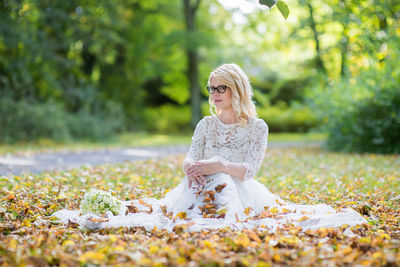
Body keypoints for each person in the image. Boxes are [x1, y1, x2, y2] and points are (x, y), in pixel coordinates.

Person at [52, 63, 367, 232]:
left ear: (237, 90)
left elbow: (251, 170)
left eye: (221, 88)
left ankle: (220, 215)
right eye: (211, 88)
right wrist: (190, 166)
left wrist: (218, 166)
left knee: (223, 180)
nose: (214, 93)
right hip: (197, 183)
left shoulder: (258, 127)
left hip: (241, 188)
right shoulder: (205, 123)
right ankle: (201, 207)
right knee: (198, 187)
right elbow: (191, 154)